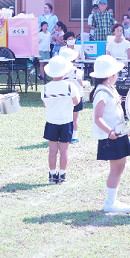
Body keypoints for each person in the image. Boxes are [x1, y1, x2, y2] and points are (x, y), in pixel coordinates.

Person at [90, 55, 130, 213]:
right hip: (111, 137)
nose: (117, 76)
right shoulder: (101, 93)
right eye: (115, 74)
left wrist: (123, 130)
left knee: (120, 166)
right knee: (115, 169)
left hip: (118, 134)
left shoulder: (110, 89)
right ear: (109, 76)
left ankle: (113, 199)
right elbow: (97, 118)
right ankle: (110, 203)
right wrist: (110, 132)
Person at [42, 56, 79, 184]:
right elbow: (76, 102)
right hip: (66, 121)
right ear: (65, 72)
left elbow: (45, 104)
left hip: (51, 121)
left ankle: (52, 175)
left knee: (52, 150)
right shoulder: (70, 86)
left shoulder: (46, 87)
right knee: (64, 150)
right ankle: (62, 175)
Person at [60, 48, 83, 144]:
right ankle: (74, 137)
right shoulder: (77, 71)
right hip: (76, 96)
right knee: (75, 117)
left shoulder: (60, 72)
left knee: (65, 117)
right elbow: (81, 83)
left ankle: (64, 136)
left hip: (64, 96)